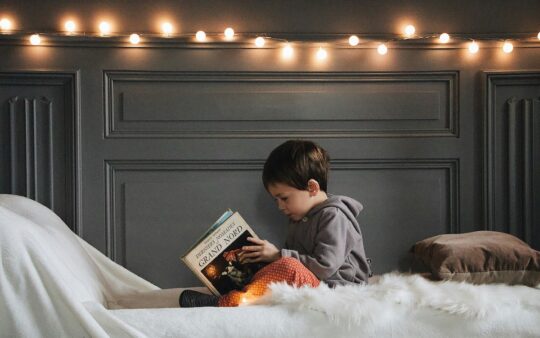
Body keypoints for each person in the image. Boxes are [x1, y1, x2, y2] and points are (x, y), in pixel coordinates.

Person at [109, 140, 370, 309]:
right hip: (312, 283)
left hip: (338, 290)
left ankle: (226, 302)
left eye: (284, 198)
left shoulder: (333, 216)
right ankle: (240, 290)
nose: (280, 206)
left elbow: (324, 267)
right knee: (272, 266)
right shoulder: (298, 217)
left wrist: (278, 255)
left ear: (312, 187)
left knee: (287, 265)